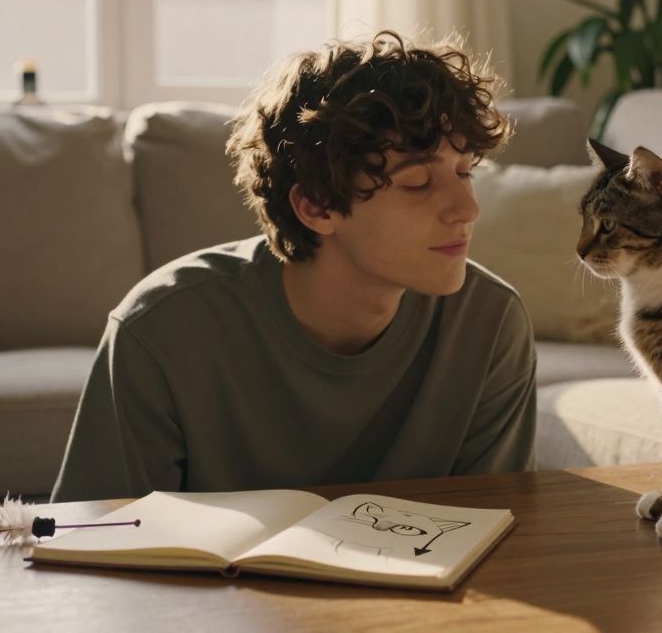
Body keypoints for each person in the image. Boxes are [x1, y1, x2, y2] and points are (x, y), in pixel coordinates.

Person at [51, 31, 537, 501]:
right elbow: (93, 541)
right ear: (318, 206)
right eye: (417, 183)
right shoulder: (161, 331)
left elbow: (492, 539)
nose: (467, 209)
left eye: (464, 172)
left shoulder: (489, 324)